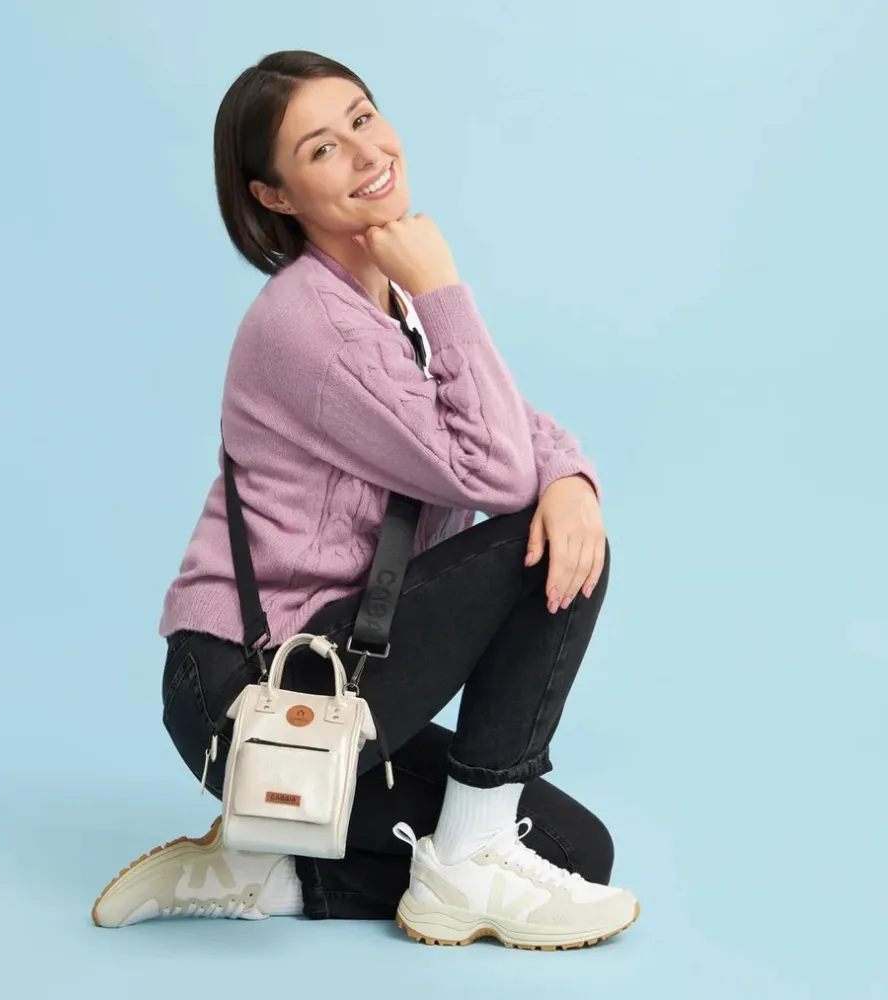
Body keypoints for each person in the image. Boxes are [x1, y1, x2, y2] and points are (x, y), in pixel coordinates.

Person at [91, 50, 639, 951]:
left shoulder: (387, 304)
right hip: (251, 685)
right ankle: (467, 861)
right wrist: (443, 287)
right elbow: (498, 472)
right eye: (321, 149)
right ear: (275, 196)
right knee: (537, 550)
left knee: (578, 853)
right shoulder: (312, 325)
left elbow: (505, 423)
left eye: (361, 116)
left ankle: (264, 872)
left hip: (346, 662)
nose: (365, 150)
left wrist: (573, 479)